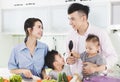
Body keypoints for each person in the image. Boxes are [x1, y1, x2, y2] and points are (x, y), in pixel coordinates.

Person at [66, 3, 118, 76]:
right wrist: (68, 60)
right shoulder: (70, 35)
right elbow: (67, 53)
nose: (70, 23)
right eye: (69, 19)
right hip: (75, 78)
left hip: (96, 78)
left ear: (83, 18)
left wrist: (97, 67)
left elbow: (113, 57)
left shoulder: (100, 33)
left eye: (73, 19)